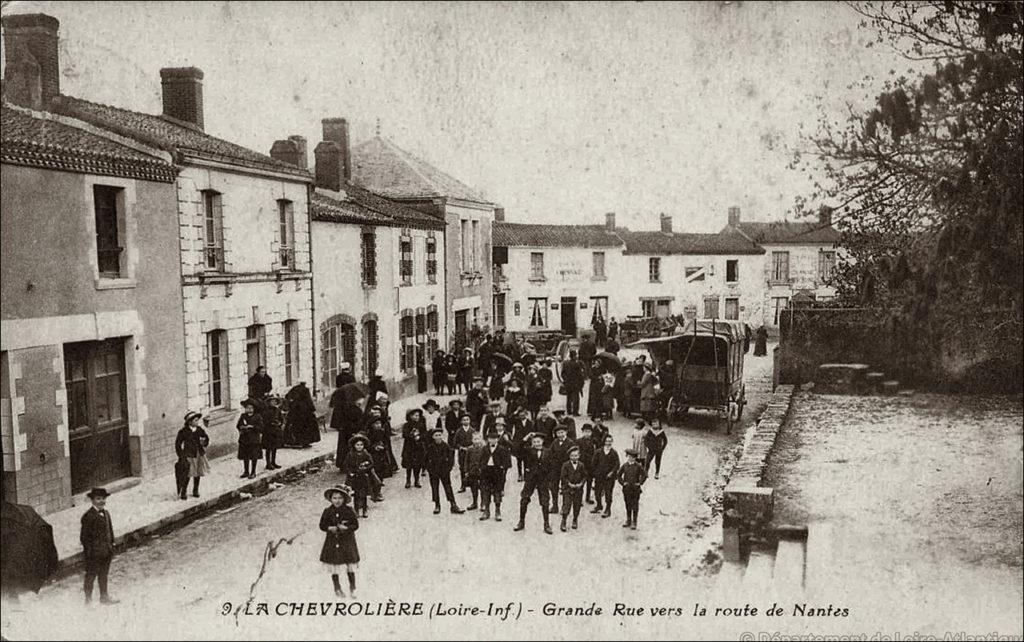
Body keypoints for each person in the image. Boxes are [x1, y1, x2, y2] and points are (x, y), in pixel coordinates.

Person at [319, 485, 360, 599]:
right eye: (334, 498)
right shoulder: (327, 511)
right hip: (332, 541)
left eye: (340, 498)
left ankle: (353, 588)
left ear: (344, 499)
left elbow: (355, 525)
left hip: (347, 541)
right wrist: (329, 528)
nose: (337, 501)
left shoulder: (349, 511)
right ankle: (337, 588)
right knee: (335, 566)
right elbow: (322, 525)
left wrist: (346, 528)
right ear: (331, 499)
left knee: (350, 565)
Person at [80, 487, 117, 605]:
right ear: (92, 500)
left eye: (103, 499)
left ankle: (104, 596)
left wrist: (111, 544)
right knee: (91, 575)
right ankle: (88, 599)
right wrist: (90, 552)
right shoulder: (88, 516)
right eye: (98, 499)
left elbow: (109, 530)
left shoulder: (106, 513)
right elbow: (84, 538)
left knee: (103, 574)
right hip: (94, 553)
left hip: (106, 550)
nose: (101, 501)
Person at [513, 433, 554, 535]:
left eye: (538, 441)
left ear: (542, 442)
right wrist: (526, 437)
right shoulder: (528, 451)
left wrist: (548, 479)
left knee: (545, 502)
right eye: (534, 442)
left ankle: (546, 524)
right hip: (530, 479)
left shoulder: (548, 452)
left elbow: (551, 466)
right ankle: (521, 522)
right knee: (524, 499)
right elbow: (518, 449)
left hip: (543, 480)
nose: (537, 443)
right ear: (532, 443)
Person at [424, 428, 465, 515]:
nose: (438, 437)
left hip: (444, 471)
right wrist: (430, 469)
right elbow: (426, 460)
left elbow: (451, 459)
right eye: (436, 435)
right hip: (434, 472)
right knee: (435, 488)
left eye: (439, 435)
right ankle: (437, 505)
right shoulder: (430, 447)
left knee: (448, 487)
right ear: (432, 437)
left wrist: (448, 469)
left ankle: (453, 505)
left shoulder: (446, 446)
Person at [175, 411, 210, 499]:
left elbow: (205, 437)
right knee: (188, 473)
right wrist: (181, 455)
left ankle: (195, 490)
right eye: (195, 420)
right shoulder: (184, 431)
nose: (197, 422)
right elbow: (178, 444)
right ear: (189, 422)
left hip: (198, 454)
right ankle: (184, 491)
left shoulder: (199, 429)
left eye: (197, 420)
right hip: (189, 455)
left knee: (198, 473)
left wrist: (204, 441)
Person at [342, 434, 374, 518]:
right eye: (357, 445)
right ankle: (356, 510)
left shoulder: (365, 454)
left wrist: (366, 467)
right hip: (354, 477)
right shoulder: (350, 454)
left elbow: (371, 463)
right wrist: (349, 473)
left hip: (363, 476)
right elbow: (346, 465)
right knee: (356, 494)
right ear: (354, 445)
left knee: (363, 494)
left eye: (361, 445)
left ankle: (364, 509)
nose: (359, 447)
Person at [330, 388, 365, 465]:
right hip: (352, 430)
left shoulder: (342, 407)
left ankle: (343, 464)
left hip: (344, 431)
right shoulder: (355, 409)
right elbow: (360, 420)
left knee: (344, 447)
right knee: (350, 446)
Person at [590, 434, 620, 518]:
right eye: (607, 441)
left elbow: (617, 465)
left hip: (609, 477)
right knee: (597, 492)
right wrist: (595, 473)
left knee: (608, 493)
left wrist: (611, 472)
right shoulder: (598, 452)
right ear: (604, 441)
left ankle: (608, 509)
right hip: (599, 476)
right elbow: (593, 463)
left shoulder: (614, 453)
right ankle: (599, 505)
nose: (608, 443)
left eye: (610, 441)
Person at [559, 445, 588, 532]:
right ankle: (563, 521)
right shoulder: (565, 465)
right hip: (568, 489)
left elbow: (585, 476)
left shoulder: (581, 465)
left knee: (577, 505)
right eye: (572, 456)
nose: (574, 457)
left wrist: (581, 484)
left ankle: (575, 519)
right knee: (566, 505)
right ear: (569, 456)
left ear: (579, 456)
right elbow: (563, 477)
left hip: (578, 489)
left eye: (576, 455)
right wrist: (569, 484)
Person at [548, 424, 575, 514]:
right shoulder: (554, 442)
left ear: (566, 432)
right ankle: (555, 506)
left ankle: (564, 507)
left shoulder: (570, 442)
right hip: (555, 468)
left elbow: (572, 456)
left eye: (562, 432)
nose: (560, 434)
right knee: (553, 487)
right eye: (558, 433)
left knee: (565, 488)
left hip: (566, 469)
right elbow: (550, 453)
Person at [618, 448, 648, 530]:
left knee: (635, 505)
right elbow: (618, 475)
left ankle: (634, 521)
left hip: (635, 490)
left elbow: (645, 475)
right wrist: (623, 483)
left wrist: (640, 483)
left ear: (635, 458)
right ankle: (628, 520)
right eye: (629, 457)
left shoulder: (638, 466)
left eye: (633, 457)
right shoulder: (625, 465)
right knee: (627, 504)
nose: (631, 458)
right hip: (627, 489)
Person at [284, 382, 320, 447]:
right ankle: (305, 442)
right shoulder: (306, 389)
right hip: (305, 411)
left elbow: (287, 396)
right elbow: (309, 400)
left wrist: (292, 403)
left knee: (296, 426)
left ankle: (296, 441)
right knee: (306, 426)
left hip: (295, 410)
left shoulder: (294, 389)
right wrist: (313, 409)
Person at [236, 399, 263, 479]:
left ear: (254, 409)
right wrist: (241, 427)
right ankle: (246, 471)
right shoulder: (243, 416)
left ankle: (253, 472)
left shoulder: (257, 417)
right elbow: (238, 425)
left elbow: (261, 427)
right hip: (244, 439)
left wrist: (252, 426)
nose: (249, 409)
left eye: (251, 408)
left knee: (254, 456)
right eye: (247, 408)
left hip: (254, 439)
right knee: (245, 456)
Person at [464, 431, 487, 511]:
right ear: (472, 440)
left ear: (481, 439)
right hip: (472, 471)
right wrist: (466, 471)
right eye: (475, 439)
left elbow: (486, 460)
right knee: (473, 487)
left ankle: (483, 503)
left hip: (482, 471)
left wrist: (483, 468)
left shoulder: (484, 448)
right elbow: (466, 461)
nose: (476, 441)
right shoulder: (469, 449)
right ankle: (474, 502)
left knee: (483, 487)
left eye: (478, 439)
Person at [452, 414, 476, 493]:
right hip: (462, 453)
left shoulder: (472, 430)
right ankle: (463, 485)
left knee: (471, 468)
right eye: (464, 420)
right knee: (462, 468)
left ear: (470, 421)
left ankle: (473, 485)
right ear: (461, 421)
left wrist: (471, 447)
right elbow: (455, 443)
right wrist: (461, 447)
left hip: (471, 452)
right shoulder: (458, 431)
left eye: (467, 419)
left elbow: (476, 441)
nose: (466, 421)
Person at [510, 406, 533, 482]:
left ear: (526, 414)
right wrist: (515, 411)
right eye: (520, 415)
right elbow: (509, 419)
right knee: (519, 460)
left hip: (527, 443)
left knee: (527, 460)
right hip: (518, 443)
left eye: (523, 414)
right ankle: (520, 475)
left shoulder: (530, 423)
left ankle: (526, 475)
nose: (522, 416)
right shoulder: (516, 421)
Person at [575, 424, 598, 504]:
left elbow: (597, 452)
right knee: (580, 482)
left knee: (589, 482)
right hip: (582, 464)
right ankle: (579, 499)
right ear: (582, 432)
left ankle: (588, 498)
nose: (587, 433)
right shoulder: (578, 441)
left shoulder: (594, 441)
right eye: (585, 432)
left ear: (591, 432)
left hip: (591, 465)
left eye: (589, 432)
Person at [261, 395, 285, 470]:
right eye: (272, 401)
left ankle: (273, 462)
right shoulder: (265, 411)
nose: (273, 402)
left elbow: (282, 419)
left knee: (275, 447)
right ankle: (268, 464)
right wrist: (270, 423)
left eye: (275, 401)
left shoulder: (278, 410)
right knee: (268, 448)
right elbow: (263, 421)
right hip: (268, 431)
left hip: (276, 431)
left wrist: (280, 424)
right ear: (269, 402)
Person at [367, 417, 394, 483]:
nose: (379, 425)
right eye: (376, 423)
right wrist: (374, 447)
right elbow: (368, 445)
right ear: (372, 425)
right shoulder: (369, 434)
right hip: (373, 455)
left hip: (382, 455)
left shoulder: (382, 432)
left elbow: (386, 442)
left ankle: (379, 485)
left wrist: (383, 447)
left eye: (380, 423)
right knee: (374, 471)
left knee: (382, 471)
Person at [561, 350, 585, 417]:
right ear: (574, 356)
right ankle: (575, 412)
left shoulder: (565, 363)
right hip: (575, 384)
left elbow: (562, 374)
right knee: (576, 398)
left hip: (568, 383)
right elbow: (580, 375)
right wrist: (581, 383)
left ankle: (569, 411)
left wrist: (566, 380)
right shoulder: (577, 364)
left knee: (568, 397)